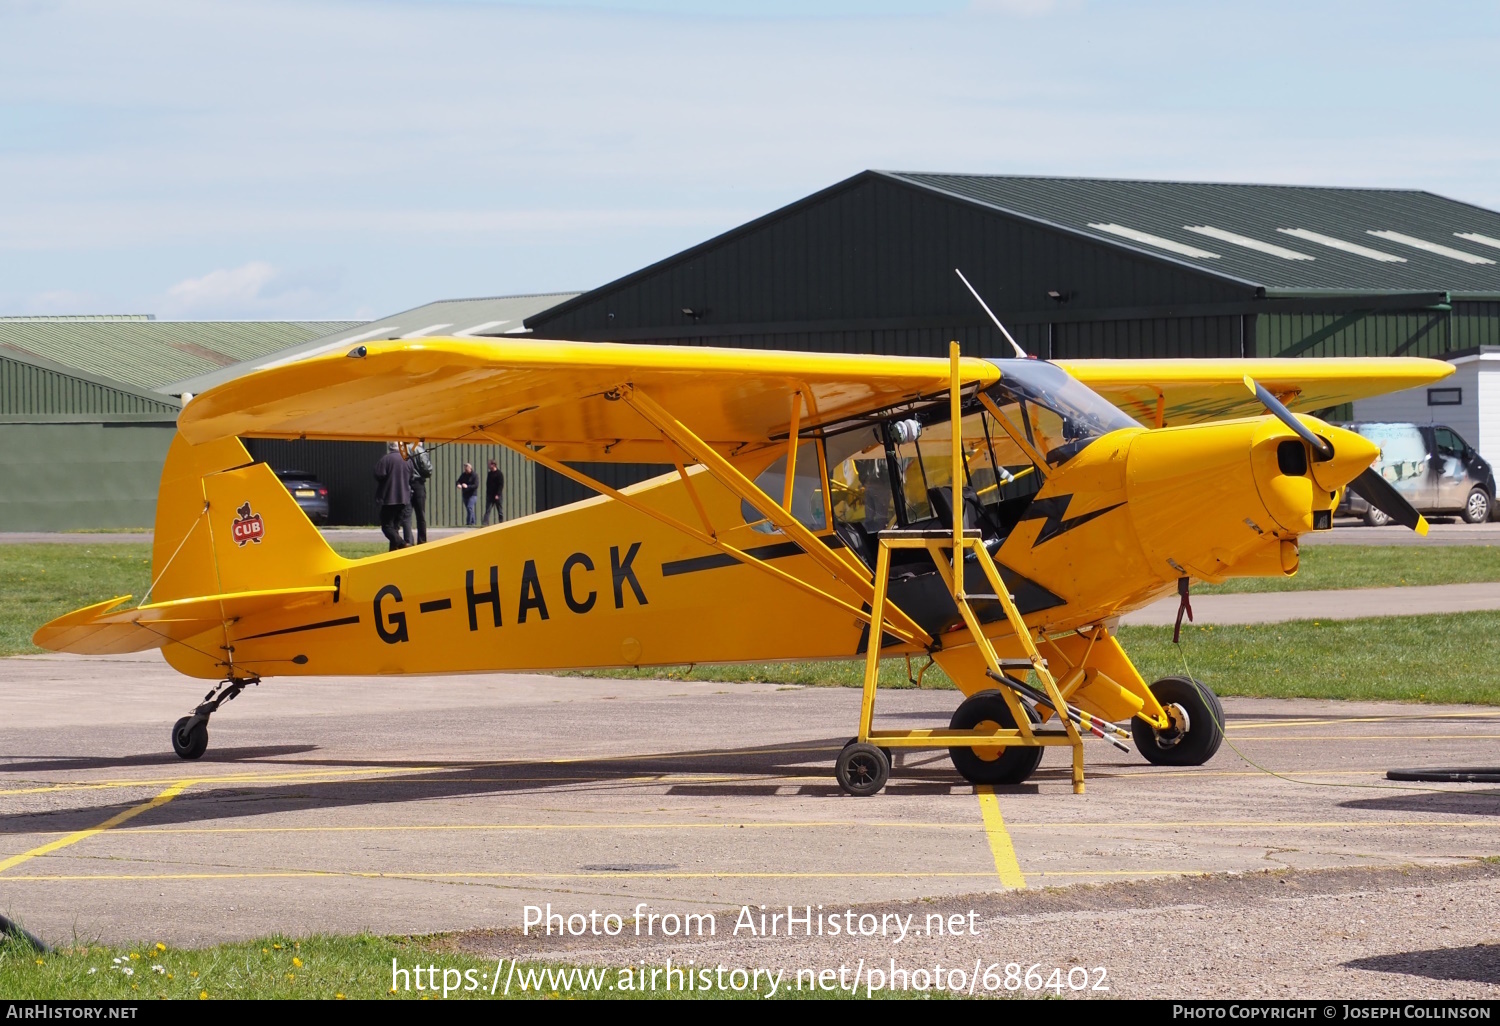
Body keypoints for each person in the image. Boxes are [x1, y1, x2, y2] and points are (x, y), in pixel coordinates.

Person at [374, 442, 411, 551]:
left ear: (389, 448)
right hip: (404, 498)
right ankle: (393, 551)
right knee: (395, 527)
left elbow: (378, 474)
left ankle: (402, 543)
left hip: (389, 498)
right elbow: (411, 475)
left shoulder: (386, 459)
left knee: (386, 527)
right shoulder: (407, 460)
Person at [404, 442, 434, 545]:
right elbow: (427, 469)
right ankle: (422, 540)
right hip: (418, 484)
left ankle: (408, 541)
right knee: (421, 515)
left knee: (407, 515)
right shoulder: (420, 450)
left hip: (405, 483)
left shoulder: (402, 450)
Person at [483, 458, 505, 525]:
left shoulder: (499, 474)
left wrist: (498, 494)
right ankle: (485, 523)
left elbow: (501, 485)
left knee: (500, 510)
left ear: (493, 465)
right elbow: (488, 484)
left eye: (489, 464)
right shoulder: (489, 474)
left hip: (497, 495)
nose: (488, 466)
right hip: (490, 495)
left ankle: (501, 523)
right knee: (487, 510)